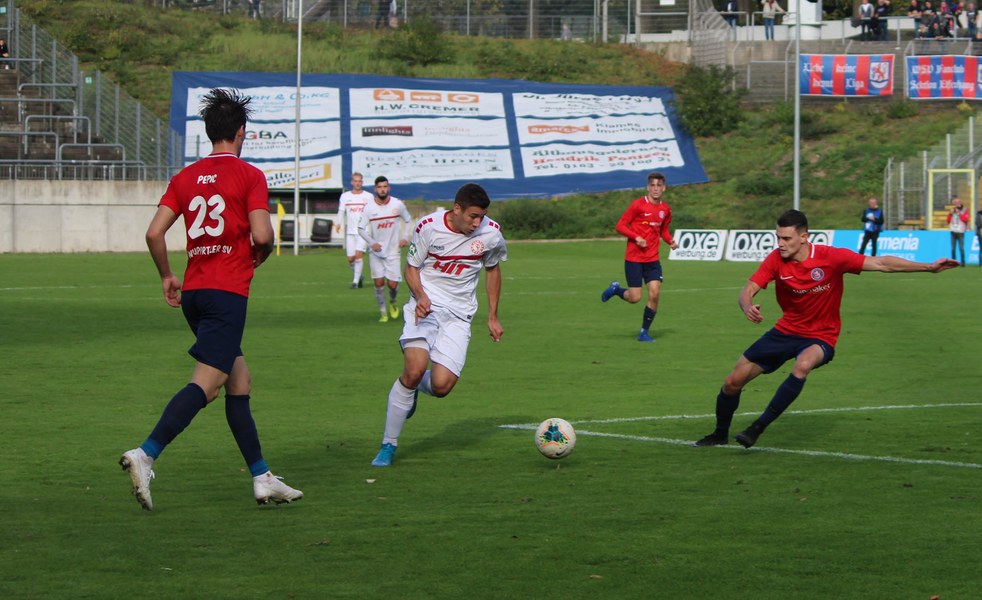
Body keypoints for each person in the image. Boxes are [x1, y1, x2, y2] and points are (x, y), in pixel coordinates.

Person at [119, 88, 303, 510]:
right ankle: (146, 453)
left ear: (208, 132)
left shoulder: (185, 178)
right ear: (242, 132)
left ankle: (262, 477)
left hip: (195, 292)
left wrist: (167, 275)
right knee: (208, 384)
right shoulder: (249, 175)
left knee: (239, 381)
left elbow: (154, 233)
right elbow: (263, 234)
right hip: (226, 293)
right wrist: (262, 251)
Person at [694, 209, 958, 449]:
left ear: (804, 237)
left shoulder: (831, 257)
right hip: (785, 331)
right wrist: (747, 306)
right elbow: (749, 288)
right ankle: (720, 434)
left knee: (802, 365)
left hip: (821, 336)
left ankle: (757, 428)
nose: (780, 243)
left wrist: (928, 267)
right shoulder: (775, 260)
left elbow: (881, 263)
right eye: (778, 238)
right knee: (732, 383)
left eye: (786, 238)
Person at [370, 183, 507, 467]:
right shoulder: (428, 227)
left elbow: (493, 270)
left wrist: (493, 316)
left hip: (459, 315)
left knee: (442, 386)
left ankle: (412, 388)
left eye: (481, 217)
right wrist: (421, 296)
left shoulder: (491, 233)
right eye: (472, 216)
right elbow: (412, 268)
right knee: (413, 368)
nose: (477, 223)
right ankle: (388, 445)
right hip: (426, 307)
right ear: (457, 209)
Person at [600, 172, 679, 342]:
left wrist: (670, 241)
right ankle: (616, 290)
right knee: (635, 298)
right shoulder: (638, 205)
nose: (655, 189)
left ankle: (644, 332)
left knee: (655, 294)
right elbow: (620, 226)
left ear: (664, 188)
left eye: (659, 185)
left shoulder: (665, 209)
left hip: (653, 259)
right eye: (653, 185)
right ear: (648, 187)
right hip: (634, 259)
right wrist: (636, 237)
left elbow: (663, 230)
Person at [358, 175, 412, 322]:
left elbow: (408, 220)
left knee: (392, 285)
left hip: (393, 250)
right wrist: (372, 242)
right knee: (379, 283)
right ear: (375, 189)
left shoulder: (397, 204)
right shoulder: (369, 208)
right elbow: (360, 229)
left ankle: (393, 302)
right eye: (379, 187)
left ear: (389, 188)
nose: (382, 189)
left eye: (385, 187)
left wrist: (405, 237)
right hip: (376, 252)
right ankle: (383, 312)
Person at [335, 172, 373, 288]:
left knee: (358, 255)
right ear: (352, 182)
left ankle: (355, 282)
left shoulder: (369, 196)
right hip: (350, 232)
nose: (357, 183)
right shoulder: (345, 196)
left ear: (362, 182)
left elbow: (373, 212)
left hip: (363, 231)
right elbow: (341, 211)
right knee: (351, 259)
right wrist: (338, 223)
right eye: (355, 181)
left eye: (359, 181)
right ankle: (359, 276)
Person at [947, 196, 969, 265]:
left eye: (957, 202)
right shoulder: (952, 210)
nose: (956, 203)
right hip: (953, 231)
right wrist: (950, 214)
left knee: (961, 248)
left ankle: (963, 262)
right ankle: (953, 262)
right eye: (955, 202)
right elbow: (948, 221)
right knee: (953, 248)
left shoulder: (965, 210)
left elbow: (966, 219)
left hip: (960, 231)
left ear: (959, 202)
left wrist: (959, 213)